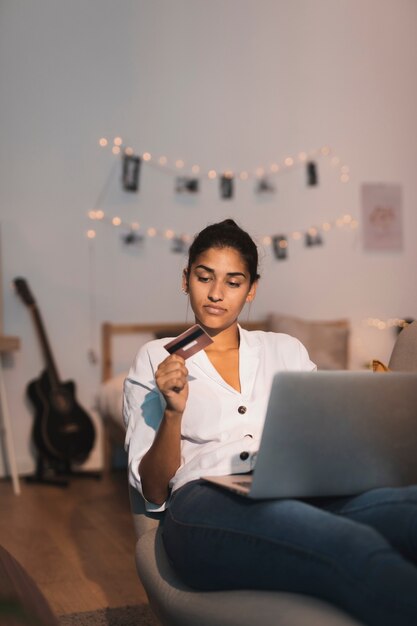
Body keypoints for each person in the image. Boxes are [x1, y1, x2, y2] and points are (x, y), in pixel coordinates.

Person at [124, 219, 417, 626]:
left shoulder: (286, 349)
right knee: (349, 545)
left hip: (294, 488)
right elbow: (154, 489)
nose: (215, 293)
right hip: (204, 500)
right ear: (185, 278)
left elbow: (321, 432)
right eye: (204, 277)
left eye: (233, 281)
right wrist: (173, 412)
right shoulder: (155, 358)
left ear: (251, 289)